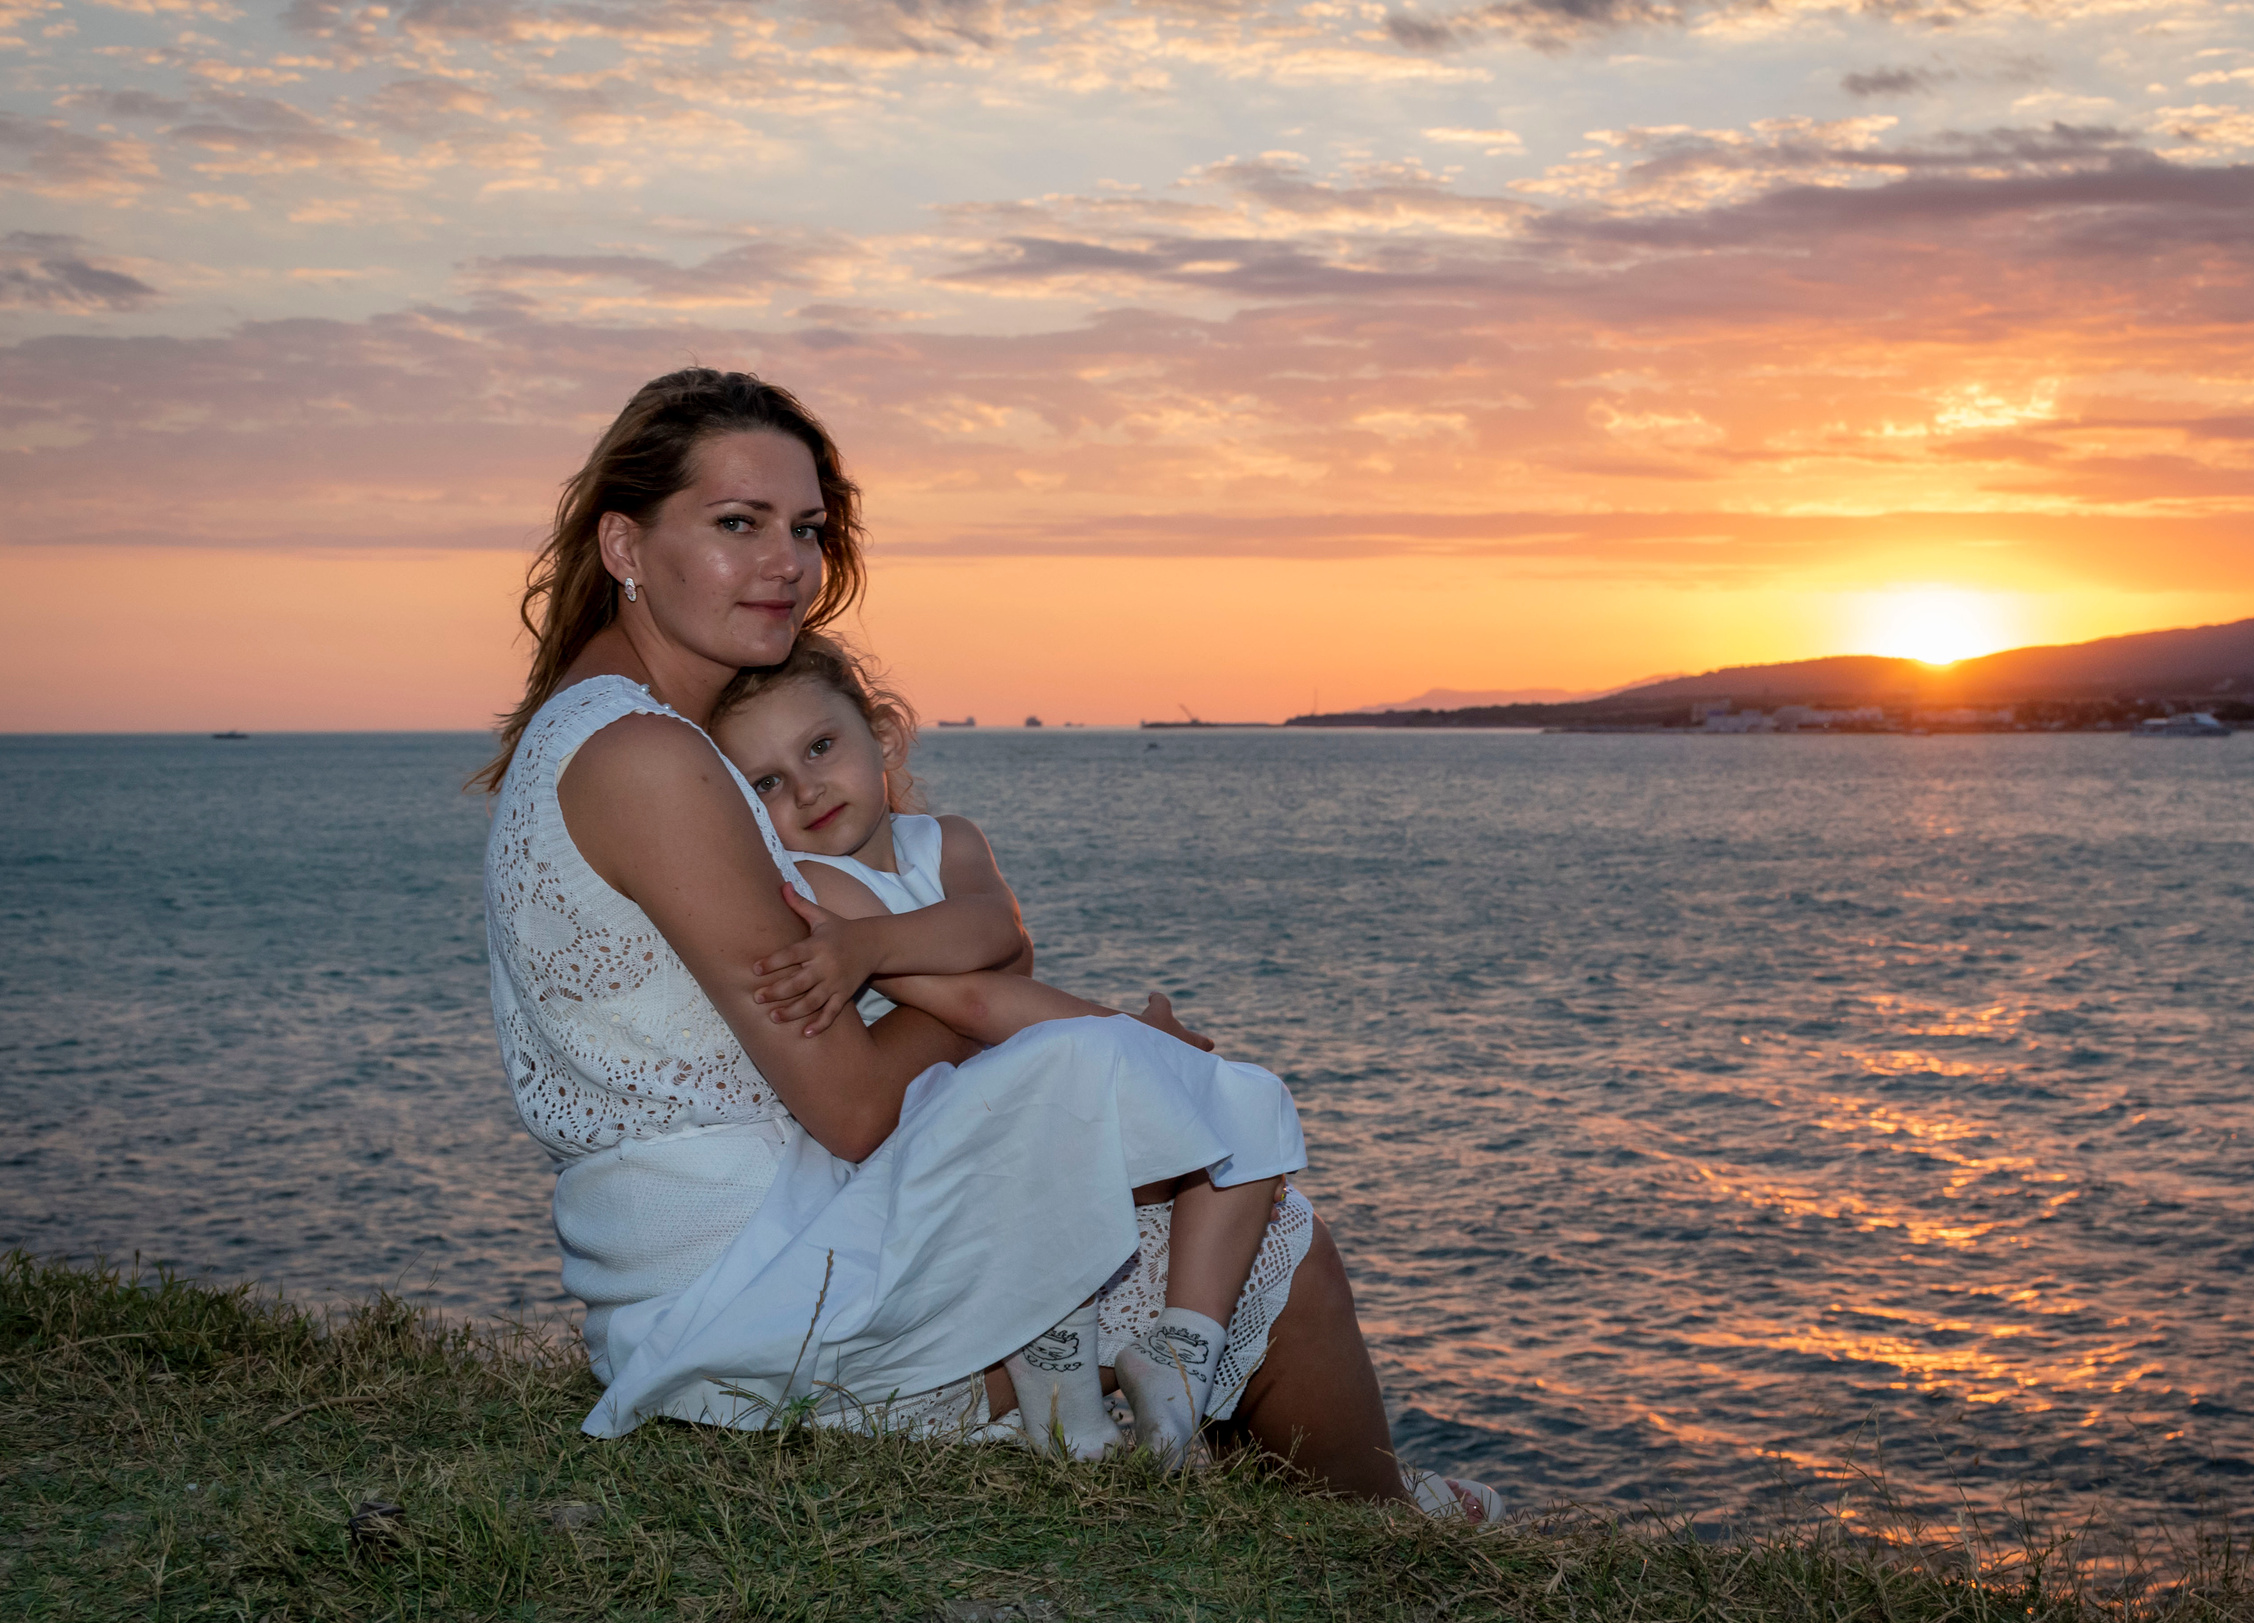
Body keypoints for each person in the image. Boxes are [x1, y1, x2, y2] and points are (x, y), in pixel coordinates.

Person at [475, 366, 1499, 1519]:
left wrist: (971, 990)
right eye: (735, 524)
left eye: (804, 528)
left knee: (1185, 1173)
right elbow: (856, 1106)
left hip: (742, 1251)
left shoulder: (617, 732)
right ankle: (1377, 1532)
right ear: (624, 544)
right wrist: (996, 994)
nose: (785, 563)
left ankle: (1334, 1512)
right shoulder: (649, 760)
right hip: (759, 1302)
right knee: (1267, 1232)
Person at [703, 630, 1303, 1466]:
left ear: (883, 734)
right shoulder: (815, 890)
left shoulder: (948, 841)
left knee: (1242, 1106)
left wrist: (872, 947)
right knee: (1151, 1101)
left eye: (821, 746)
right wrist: (1132, 1041)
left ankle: (1177, 1361)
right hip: (941, 1156)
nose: (805, 788)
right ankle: (1055, 1370)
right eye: (766, 782)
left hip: (1023, 1093)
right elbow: (978, 998)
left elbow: (996, 930)